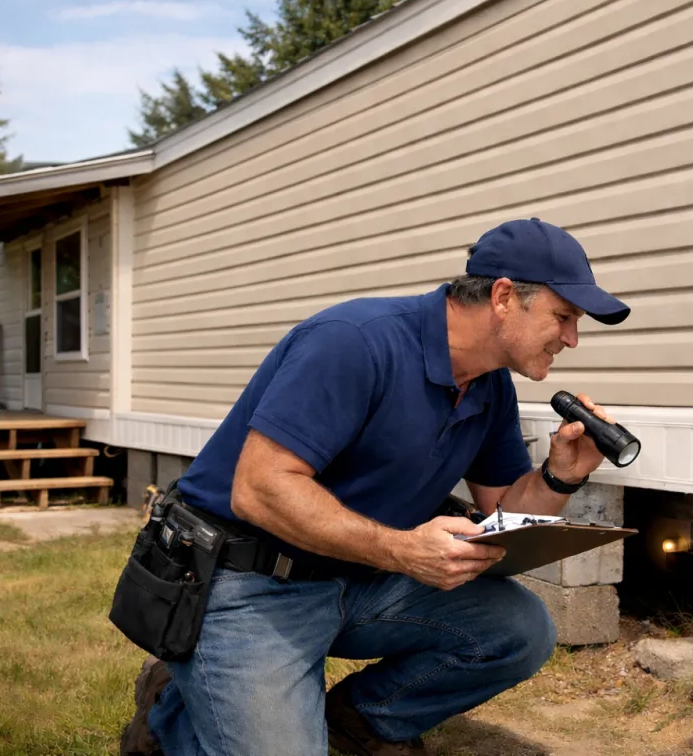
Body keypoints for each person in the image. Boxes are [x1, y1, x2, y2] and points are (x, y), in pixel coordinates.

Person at [121, 218, 632, 756]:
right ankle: (171, 712)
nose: (572, 339)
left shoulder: (490, 385)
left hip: (362, 576)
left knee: (520, 630)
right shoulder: (354, 342)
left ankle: (356, 725)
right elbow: (260, 489)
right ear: (504, 296)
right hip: (249, 582)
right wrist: (402, 549)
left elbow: (501, 510)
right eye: (564, 317)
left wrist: (561, 475)